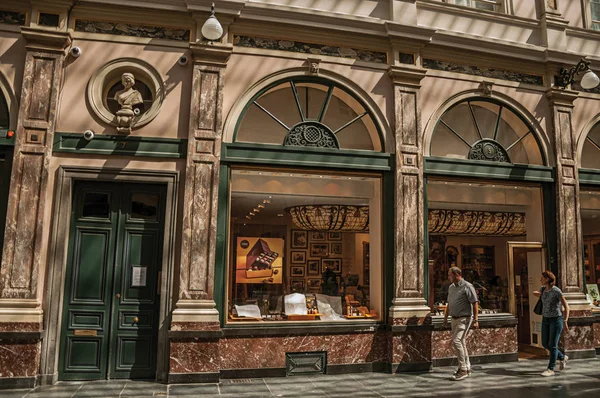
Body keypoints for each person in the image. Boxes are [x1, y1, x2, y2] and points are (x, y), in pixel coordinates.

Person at [443, 266, 479, 381]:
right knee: (461, 341)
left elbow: (475, 303)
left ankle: (462, 369)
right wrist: (445, 319)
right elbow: (449, 304)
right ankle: (467, 367)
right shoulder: (451, 287)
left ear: (456, 275)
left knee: (457, 341)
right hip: (454, 318)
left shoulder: (467, 286)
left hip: (464, 318)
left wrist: (476, 320)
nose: (448, 277)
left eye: (450, 275)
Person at [533, 270, 570, 377]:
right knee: (545, 343)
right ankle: (562, 357)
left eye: (542, 278)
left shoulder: (557, 291)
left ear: (548, 279)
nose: (540, 279)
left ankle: (551, 368)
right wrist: (537, 294)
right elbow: (543, 298)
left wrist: (565, 321)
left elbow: (566, 306)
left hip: (556, 319)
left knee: (553, 345)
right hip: (545, 319)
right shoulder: (543, 289)